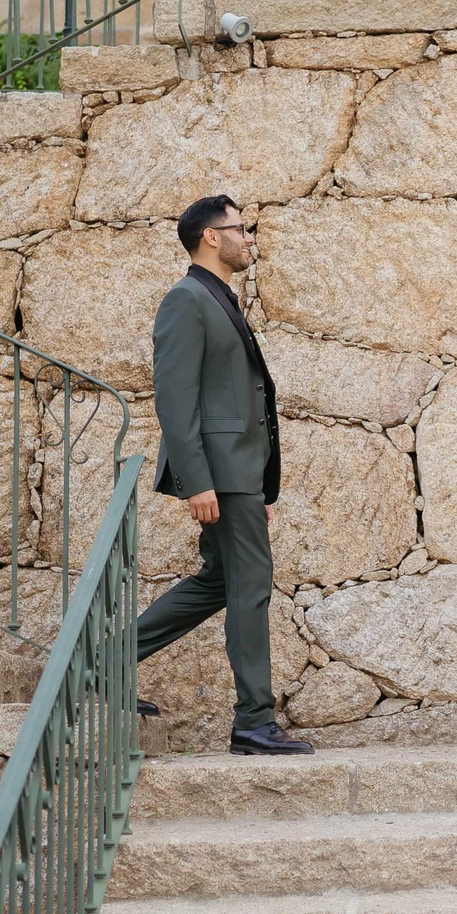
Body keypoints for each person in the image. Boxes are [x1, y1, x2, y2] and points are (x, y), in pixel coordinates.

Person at [134, 194, 312, 756]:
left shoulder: (218, 297)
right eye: (242, 228)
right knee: (250, 588)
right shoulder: (186, 299)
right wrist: (200, 480)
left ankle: (97, 667)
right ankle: (253, 722)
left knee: (221, 581)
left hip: (239, 474)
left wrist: (253, 484)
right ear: (212, 237)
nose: (250, 237)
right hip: (219, 473)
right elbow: (175, 397)